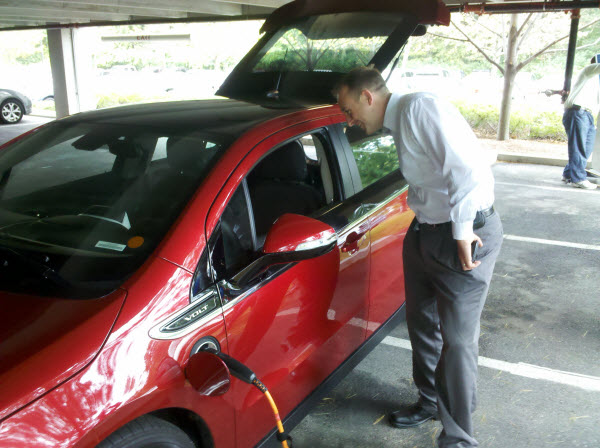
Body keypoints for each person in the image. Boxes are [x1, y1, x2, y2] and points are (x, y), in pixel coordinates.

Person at [335, 67, 503, 448]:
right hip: (425, 229)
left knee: (458, 342)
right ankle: (430, 401)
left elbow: (469, 170)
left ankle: (459, 438)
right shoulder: (398, 122)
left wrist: (460, 232)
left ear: (367, 96)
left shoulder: (419, 108)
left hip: (464, 233)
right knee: (422, 323)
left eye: (348, 110)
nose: (350, 120)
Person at [561, 57, 600, 190]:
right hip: (578, 112)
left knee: (586, 147)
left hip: (587, 115)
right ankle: (578, 179)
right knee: (579, 147)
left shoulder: (595, 82)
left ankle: (568, 173)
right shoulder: (589, 71)